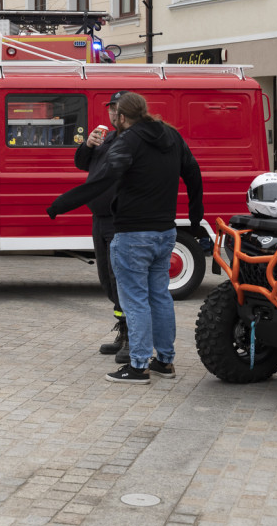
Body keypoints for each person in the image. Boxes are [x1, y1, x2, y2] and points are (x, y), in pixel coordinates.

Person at [47, 92, 204, 384]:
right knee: (159, 297)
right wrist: (195, 216)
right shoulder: (170, 135)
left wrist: (62, 203)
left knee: (135, 301)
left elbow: (105, 177)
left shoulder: (129, 140)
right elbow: (193, 171)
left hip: (132, 234)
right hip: (165, 232)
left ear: (122, 117)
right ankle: (165, 362)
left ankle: (138, 366)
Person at [75, 92, 126, 362]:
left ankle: (132, 338)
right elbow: (81, 164)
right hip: (100, 219)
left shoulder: (129, 140)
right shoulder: (105, 139)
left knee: (122, 280)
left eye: (117, 109)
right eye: (110, 109)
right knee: (107, 279)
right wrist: (88, 145)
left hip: (119, 221)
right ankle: (123, 330)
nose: (112, 114)